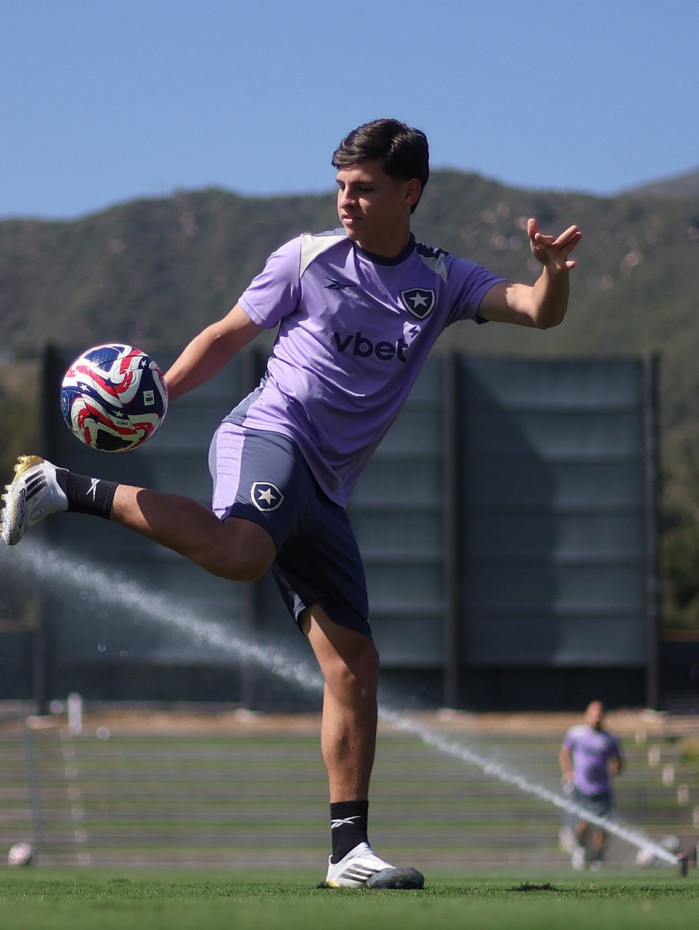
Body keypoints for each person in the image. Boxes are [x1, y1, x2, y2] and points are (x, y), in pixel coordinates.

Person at [1, 118, 581, 888]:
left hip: (327, 491)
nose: (346, 199)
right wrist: (157, 399)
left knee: (354, 669)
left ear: (409, 192)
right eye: (340, 185)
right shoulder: (305, 259)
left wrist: (552, 272)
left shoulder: (441, 280)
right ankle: (61, 486)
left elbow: (538, 310)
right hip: (269, 437)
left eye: (363, 187)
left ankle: (348, 857)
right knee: (240, 553)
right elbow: (227, 332)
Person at [559, 700, 624, 870]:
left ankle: (598, 858)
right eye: (593, 713)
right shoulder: (576, 733)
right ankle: (581, 850)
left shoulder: (610, 739)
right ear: (587, 715)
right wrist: (567, 772)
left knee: (603, 828)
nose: (596, 717)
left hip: (602, 790)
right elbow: (564, 752)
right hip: (582, 789)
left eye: (600, 714)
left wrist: (616, 768)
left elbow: (618, 761)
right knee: (582, 825)